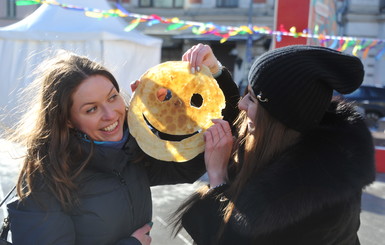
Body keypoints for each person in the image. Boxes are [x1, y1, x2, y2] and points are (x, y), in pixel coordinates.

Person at [5, 49, 239, 245]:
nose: (111, 114)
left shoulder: (129, 151)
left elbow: (189, 161)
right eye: (91, 109)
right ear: (66, 119)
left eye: (112, 97)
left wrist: (215, 75)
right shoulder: (45, 178)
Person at [173, 44, 376, 244]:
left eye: (251, 98)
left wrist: (218, 179)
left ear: (278, 118)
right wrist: (215, 72)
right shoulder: (293, 133)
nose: (241, 104)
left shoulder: (315, 204)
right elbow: (240, 119)